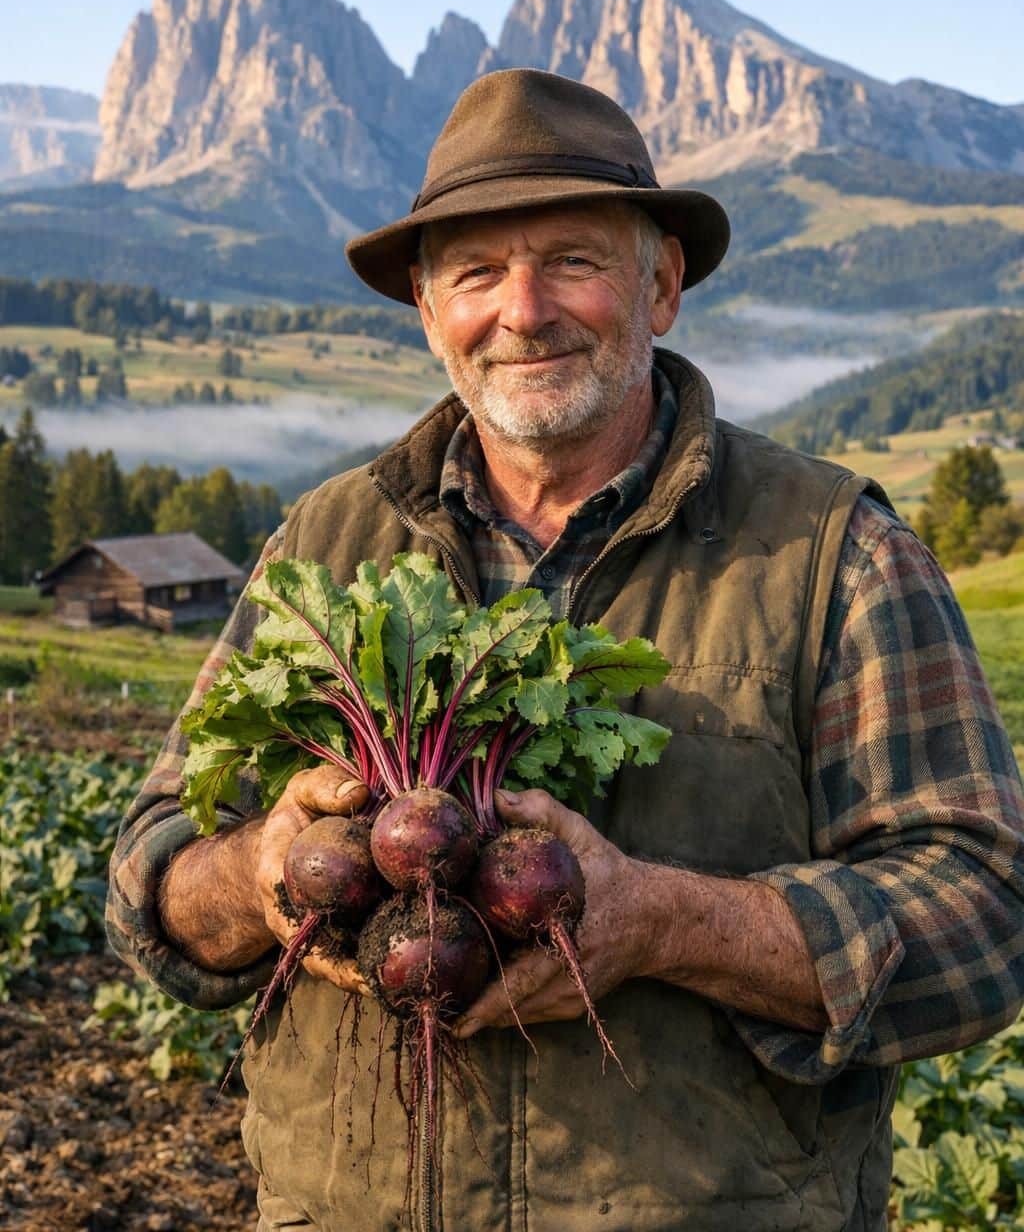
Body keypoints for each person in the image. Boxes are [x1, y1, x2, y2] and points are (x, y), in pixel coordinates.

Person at [108, 68, 1024, 1232]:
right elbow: (151, 876)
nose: (524, 308)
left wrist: (663, 920)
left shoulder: (833, 551)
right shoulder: (322, 544)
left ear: (662, 287)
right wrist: (261, 874)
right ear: (430, 311)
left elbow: (986, 917)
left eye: (575, 261)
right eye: (478, 273)